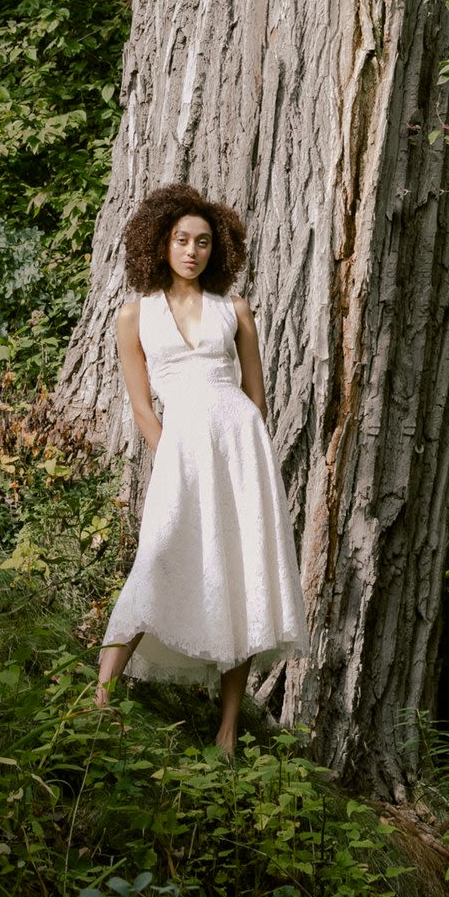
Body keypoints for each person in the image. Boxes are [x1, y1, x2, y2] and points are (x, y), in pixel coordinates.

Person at [92, 183, 309, 754]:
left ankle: (228, 732)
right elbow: (142, 405)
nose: (192, 251)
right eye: (183, 239)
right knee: (155, 560)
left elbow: (255, 400)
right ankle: (98, 705)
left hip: (239, 451)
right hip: (179, 453)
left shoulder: (233, 310)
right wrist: (172, 457)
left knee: (239, 576)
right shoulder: (133, 315)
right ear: (161, 242)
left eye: (204, 242)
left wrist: (241, 454)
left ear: (218, 250)